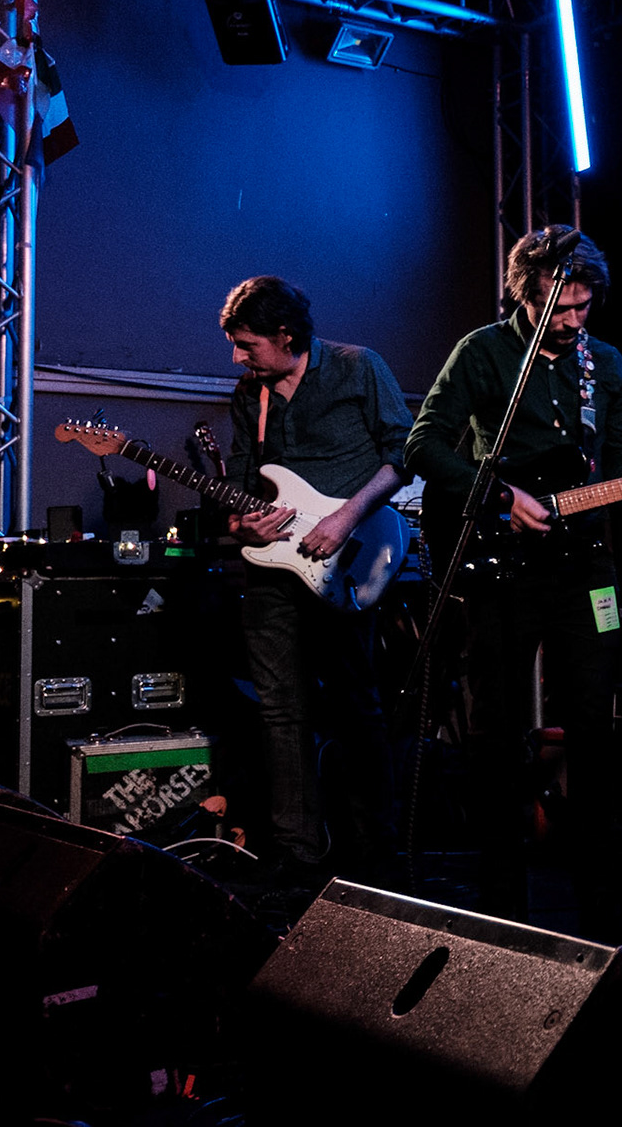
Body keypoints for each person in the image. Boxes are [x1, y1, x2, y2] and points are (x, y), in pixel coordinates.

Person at [405, 226, 622, 932]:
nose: (572, 321)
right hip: (497, 571)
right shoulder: (481, 353)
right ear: (526, 294)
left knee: (593, 731)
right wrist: (503, 496)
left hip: (583, 572)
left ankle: (600, 908)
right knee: (494, 732)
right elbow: (421, 445)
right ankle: (502, 904)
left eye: (582, 307)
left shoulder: (609, 365)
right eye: (558, 308)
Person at [221, 276, 412, 891]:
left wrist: (345, 516)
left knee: (358, 707)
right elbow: (250, 480)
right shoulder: (249, 396)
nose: (237, 357)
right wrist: (244, 522)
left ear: (286, 335)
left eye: (247, 344)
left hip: (351, 556)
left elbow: (402, 453)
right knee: (280, 710)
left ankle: (377, 856)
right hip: (274, 568)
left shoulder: (360, 368)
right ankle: (298, 851)